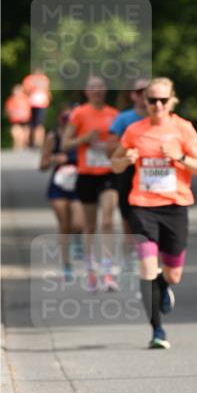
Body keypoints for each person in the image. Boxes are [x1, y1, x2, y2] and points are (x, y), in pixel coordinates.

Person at [111, 77, 197, 349]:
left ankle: (164, 284)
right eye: (151, 99)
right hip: (142, 207)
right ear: (144, 101)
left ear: (171, 100)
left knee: (173, 274)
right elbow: (115, 165)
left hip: (175, 206)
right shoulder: (134, 130)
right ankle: (157, 330)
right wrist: (125, 159)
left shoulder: (183, 129)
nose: (156, 104)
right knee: (146, 268)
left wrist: (178, 157)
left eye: (162, 100)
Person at [61, 76, 119, 291]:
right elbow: (66, 144)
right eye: (92, 87)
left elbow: (123, 142)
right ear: (86, 91)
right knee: (90, 225)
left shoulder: (114, 115)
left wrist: (112, 147)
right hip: (86, 174)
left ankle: (108, 269)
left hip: (108, 173)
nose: (96, 91)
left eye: (100, 87)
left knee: (107, 222)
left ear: (105, 90)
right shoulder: (79, 114)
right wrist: (84, 139)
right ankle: (90, 267)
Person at [106, 77, 149, 267]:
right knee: (128, 221)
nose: (144, 96)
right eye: (139, 92)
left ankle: (149, 258)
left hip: (153, 173)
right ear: (132, 95)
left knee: (150, 219)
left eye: (147, 91)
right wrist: (127, 150)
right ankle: (129, 260)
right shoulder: (124, 118)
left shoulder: (160, 117)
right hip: (129, 173)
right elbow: (110, 149)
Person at [39, 105, 84, 281]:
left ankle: (78, 239)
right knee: (64, 226)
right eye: (65, 118)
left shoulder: (80, 136)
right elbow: (42, 165)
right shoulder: (53, 137)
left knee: (78, 223)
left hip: (78, 184)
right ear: (59, 119)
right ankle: (66, 265)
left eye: (71, 118)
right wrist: (53, 159)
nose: (68, 122)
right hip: (58, 185)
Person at [22, 69, 51, 149]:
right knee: (30, 125)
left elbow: (46, 89)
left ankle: (38, 143)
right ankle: (29, 143)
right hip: (30, 104)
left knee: (39, 124)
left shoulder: (44, 79)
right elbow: (26, 90)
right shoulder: (29, 79)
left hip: (41, 104)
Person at [4, 85, 31, 150]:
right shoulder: (11, 100)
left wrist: (25, 116)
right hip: (15, 119)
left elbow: (28, 109)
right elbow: (8, 110)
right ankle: (17, 146)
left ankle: (24, 144)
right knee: (16, 132)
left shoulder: (25, 99)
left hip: (24, 119)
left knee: (25, 133)